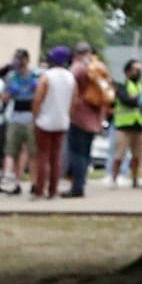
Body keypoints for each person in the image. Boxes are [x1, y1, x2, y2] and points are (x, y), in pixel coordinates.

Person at [64, 42, 112, 197]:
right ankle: (81, 182)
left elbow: (70, 88)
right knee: (86, 153)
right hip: (95, 117)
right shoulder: (100, 67)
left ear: (77, 53)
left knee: (76, 153)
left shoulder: (77, 68)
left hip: (78, 116)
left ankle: (77, 187)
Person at [30, 46, 75, 200]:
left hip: (44, 120)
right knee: (56, 157)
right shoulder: (70, 77)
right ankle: (53, 190)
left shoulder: (46, 76)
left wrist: (35, 116)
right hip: (62, 120)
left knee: (42, 156)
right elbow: (73, 101)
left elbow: (38, 99)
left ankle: (40, 190)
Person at [3, 48, 38, 195]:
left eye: (21, 59)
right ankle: (17, 183)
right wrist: (11, 92)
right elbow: (4, 97)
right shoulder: (12, 77)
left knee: (32, 152)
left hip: (30, 116)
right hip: (16, 115)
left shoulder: (34, 75)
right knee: (14, 151)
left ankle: (34, 183)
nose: (18, 62)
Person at [111, 58, 142, 188]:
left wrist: (136, 98)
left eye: (139, 69)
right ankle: (114, 179)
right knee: (119, 155)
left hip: (139, 125)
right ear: (127, 71)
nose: (138, 72)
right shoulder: (122, 85)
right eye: (135, 69)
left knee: (137, 155)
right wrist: (138, 98)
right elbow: (126, 100)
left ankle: (134, 179)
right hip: (124, 126)